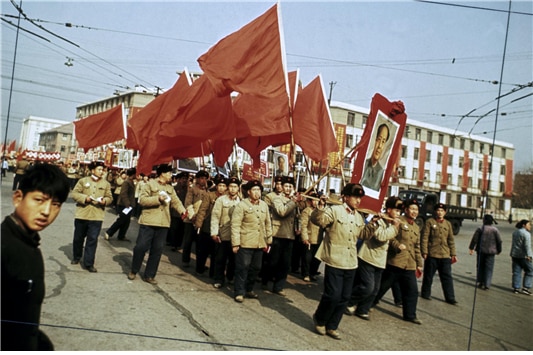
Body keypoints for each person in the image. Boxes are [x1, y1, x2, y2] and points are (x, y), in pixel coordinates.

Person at [1, 164, 70, 350]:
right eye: (39, 200)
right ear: (18, 198)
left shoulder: (30, 244)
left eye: (55, 204)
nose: (47, 211)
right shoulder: (4, 247)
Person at [310, 183, 378, 340]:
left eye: (360, 198)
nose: (358, 201)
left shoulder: (358, 216)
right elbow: (318, 221)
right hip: (334, 258)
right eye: (355, 197)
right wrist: (320, 207)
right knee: (333, 294)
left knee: (344, 297)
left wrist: (373, 224)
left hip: (351, 261)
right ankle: (320, 319)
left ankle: (332, 326)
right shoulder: (335, 210)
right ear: (345, 197)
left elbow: (362, 234)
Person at [345, 196, 402, 320]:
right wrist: (394, 228)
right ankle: (348, 302)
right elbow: (381, 236)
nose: (399, 214)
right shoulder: (379, 221)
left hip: (380, 260)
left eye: (400, 211)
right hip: (368, 257)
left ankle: (362, 309)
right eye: (396, 210)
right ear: (389, 209)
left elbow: (390, 239)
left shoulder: (390, 223)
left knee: (375, 290)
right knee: (367, 286)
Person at [128, 164, 186, 284]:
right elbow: (142, 200)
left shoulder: (170, 188)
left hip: (163, 223)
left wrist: (183, 211)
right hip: (148, 221)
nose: (171, 175)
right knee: (141, 247)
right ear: (162, 173)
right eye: (169, 173)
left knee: (157, 250)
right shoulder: (150, 184)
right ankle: (134, 270)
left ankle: (149, 275)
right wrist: (157, 199)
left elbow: (176, 202)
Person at [374, 198, 424, 325]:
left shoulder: (416, 227)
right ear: (406, 210)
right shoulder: (397, 221)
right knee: (382, 286)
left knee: (412, 290)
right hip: (396, 261)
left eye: (416, 210)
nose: (414, 212)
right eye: (412, 209)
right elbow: (391, 238)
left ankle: (410, 315)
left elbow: (416, 247)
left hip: (409, 264)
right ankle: (368, 304)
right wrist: (397, 245)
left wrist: (419, 264)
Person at [231, 180, 272, 303]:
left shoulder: (264, 205)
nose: (257, 192)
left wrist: (269, 239)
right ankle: (239, 291)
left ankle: (249, 289)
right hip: (245, 242)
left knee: (256, 268)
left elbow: (267, 224)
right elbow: (235, 225)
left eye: (258, 190)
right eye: (254, 190)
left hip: (259, 243)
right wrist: (235, 243)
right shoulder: (242, 205)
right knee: (243, 267)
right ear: (248, 192)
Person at [70, 161, 113, 272]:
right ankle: (77, 256)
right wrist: (85, 198)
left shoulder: (106, 184)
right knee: (78, 238)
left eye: (102, 170)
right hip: (82, 214)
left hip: (97, 216)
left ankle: (89, 263)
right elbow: (74, 194)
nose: (101, 172)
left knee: (92, 239)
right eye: (99, 169)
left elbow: (110, 197)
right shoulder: (83, 181)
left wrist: (104, 201)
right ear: (92, 170)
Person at [262, 176, 301, 296]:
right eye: (286, 186)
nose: (288, 189)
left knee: (285, 263)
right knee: (273, 261)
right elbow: (282, 212)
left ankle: (278, 286)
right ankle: (266, 279)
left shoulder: (294, 200)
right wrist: (293, 202)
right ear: (282, 187)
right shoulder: (277, 199)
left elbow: (297, 216)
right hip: (278, 233)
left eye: (290, 186)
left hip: (289, 235)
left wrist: (298, 227)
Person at [420, 203, 458, 304]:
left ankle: (450, 297)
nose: (439, 212)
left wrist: (453, 253)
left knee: (447, 277)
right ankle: (425, 293)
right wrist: (424, 251)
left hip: (445, 255)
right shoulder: (429, 222)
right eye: (438, 210)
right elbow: (424, 238)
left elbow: (451, 240)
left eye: (442, 211)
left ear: (445, 212)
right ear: (435, 212)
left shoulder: (448, 224)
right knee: (428, 276)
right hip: (432, 254)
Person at [210, 176, 241, 288]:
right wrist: (214, 232)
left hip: (236, 236)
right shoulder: (221, 200)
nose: (233, 189)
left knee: (233, 259)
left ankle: (230, 277)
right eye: (231, 186)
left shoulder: (241, 202)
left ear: (238, 188)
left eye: (235, 187)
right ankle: (219, 279)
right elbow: (215, 217)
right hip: (223, 234)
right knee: (220, 259)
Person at [194, 174, 227, 276]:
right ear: (216, 186)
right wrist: (199, 224)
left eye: (223, 186)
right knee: (203, 250)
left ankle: (213, 272)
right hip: (207, 225)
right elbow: (202, 210)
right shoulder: (209, 195)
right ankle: (199, 269)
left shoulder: (227, 198)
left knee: (216, 253)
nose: (221, 188)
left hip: (220, 228)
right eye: (220, 185)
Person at [182, 170, 209, 268]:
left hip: (201, 220)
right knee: (188, 241)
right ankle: (185, 260)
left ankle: (199, 263)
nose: (203, 180)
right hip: (190, 220)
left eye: (205, 178)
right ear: (197, 179)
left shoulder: (207, 191)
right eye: (201, 178)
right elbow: (188, 203)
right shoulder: (192, 190)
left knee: (200, 243)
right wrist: (192, 216)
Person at [469, 214, 502, 290]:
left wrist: (471, 248)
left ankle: (480, 282)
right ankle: (487, 284)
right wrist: (499, 250)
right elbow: (499, 241)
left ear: (484, 220)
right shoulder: (495, 230)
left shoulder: (480, 229)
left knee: (480, 266)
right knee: (489, 268)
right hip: (491, 252)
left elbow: (475, 239)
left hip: (481, 251)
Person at [105, 167, 137, 241]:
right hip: (124, 205)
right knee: (121, 220)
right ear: (133, 174)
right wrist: (127, 204)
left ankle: (121, 235)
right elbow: (123, 193)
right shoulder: (126, 182)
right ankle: (109, 232)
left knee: (126, 221)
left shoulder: (131, 181)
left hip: (129, 205)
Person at [300, 193, 323, 282]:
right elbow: (303, 225)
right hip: (309, 237)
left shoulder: (322, 211)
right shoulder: (307, 211)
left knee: (316, 259)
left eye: (317, 200)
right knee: (307, 258)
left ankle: (312, 273)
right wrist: (304, 237)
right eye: (314, 200)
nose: (316, 202)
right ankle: (305, 273)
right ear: (310, 201)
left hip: (318, 238)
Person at [360, 123, 390, 191]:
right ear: (374, 140)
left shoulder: (382, 173)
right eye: (379, 140)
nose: (379, 146)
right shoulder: (363, 164)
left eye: (383, 142)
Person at [510, 219, 532, 295]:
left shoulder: (515, 232)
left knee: (516, 271)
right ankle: (526, 287)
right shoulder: (526, 234)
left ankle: (516, 288)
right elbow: (527, 246)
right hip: (524, 256)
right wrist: (529, 255)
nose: (530, 226)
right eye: (529, 225)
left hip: (515, 254)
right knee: (530, 271)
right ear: (524, 225)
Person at [167, 172, 188, 250]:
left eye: (186, 179)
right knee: (174, 229)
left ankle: (178, 244)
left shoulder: (188, 189)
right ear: (179, 180)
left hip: (184, 212)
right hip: (175, 212)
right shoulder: (175, 188)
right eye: (183, 179)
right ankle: (173, 243)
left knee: (181, 230)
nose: (184, 180)